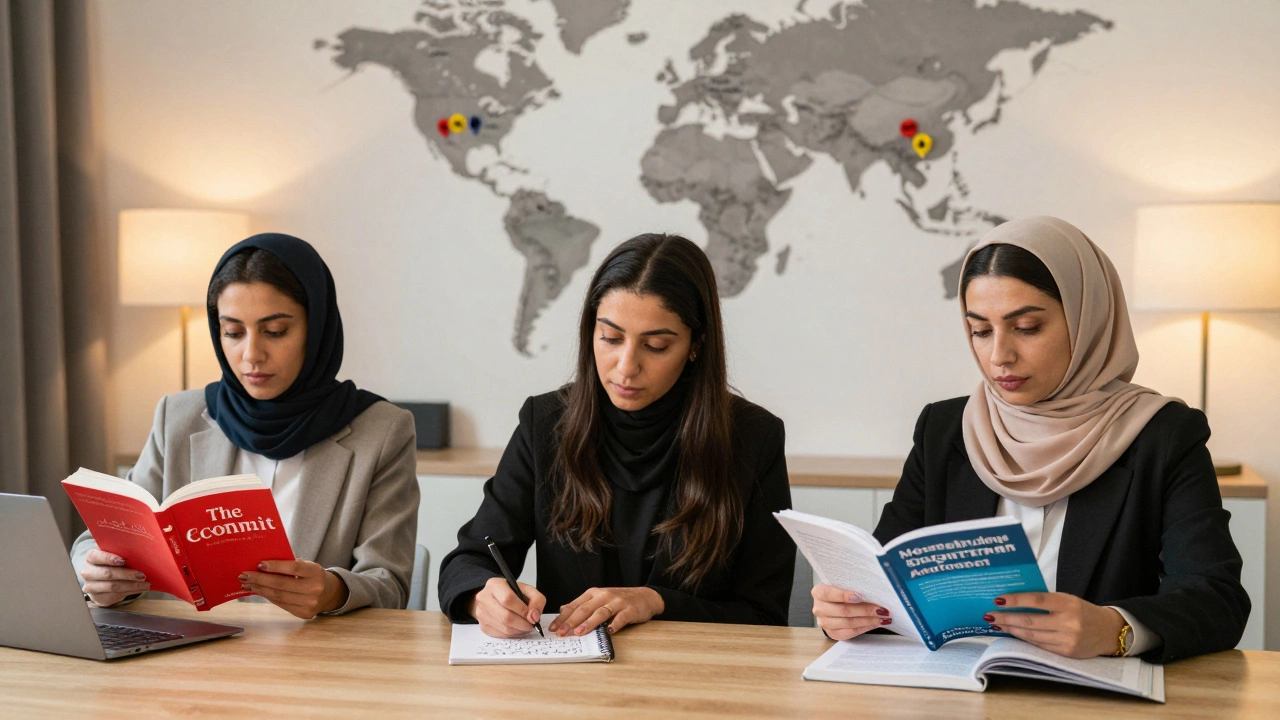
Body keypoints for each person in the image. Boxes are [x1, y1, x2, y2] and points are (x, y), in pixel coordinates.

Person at [812, 216, 1249, 662]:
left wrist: (1114, 628)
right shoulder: (945, 429)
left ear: (1086, 321)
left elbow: (1217, 600)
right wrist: (844, 610)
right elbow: (883, 577)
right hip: (955, 693)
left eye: (1027, 328)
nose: (999, 355)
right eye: (981, 331)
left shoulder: (1162, 435)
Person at [439, 233, 794, 638]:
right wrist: (483, 597)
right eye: (610, 338)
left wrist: (658, 601)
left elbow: (766, 617)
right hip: (572, 681)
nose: (626, 367)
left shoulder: (753, 438)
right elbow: (467, 561)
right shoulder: (546, 423)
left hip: (694, 683)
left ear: (696, 345)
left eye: (656, 346)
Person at [72, 233, 419, 618]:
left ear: (317, 327)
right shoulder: (179, 417)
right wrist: (99, 573)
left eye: (275, 332)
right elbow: (101, 542)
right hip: (184, 658)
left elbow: (390, 583)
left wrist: (334, 591)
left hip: (311, 662)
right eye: (233, 333)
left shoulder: (382, 430)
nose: (251, 354)